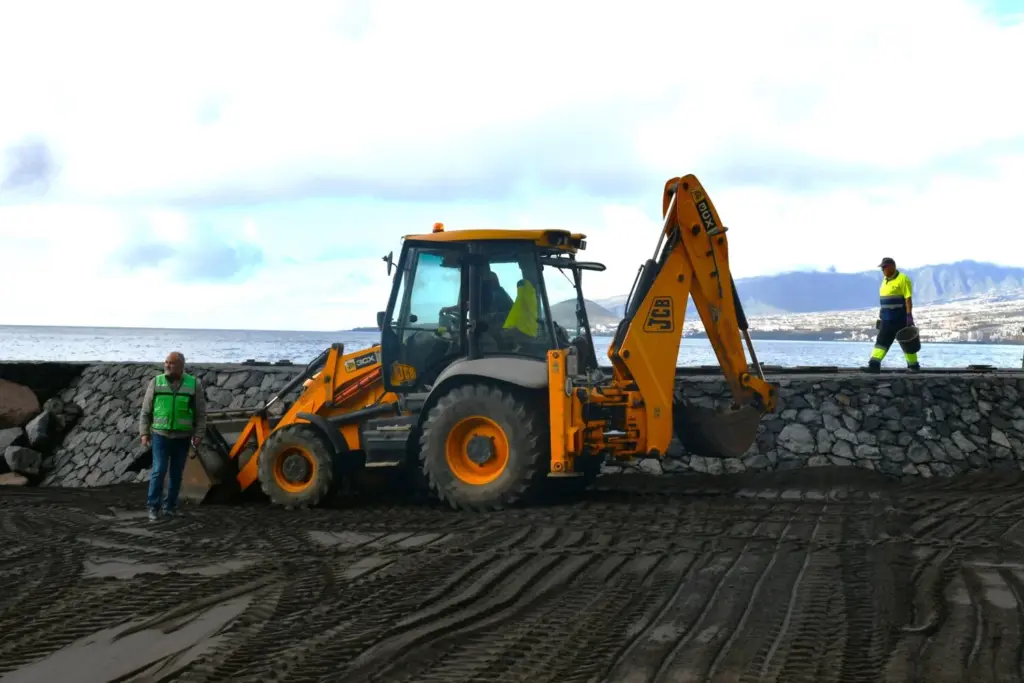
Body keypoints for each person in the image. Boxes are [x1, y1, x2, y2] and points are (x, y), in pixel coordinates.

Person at [138, 351, 207, 520]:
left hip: (182, 438)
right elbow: (146, 411)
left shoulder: (193, 384)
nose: (167, 365)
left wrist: (198, 434)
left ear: (181, 365)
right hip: (160, 435)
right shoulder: (156, 382)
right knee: (159, 470)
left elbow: (200, 414)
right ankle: (153, 506)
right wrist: (144, 433)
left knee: (176, 473)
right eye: (166, 362)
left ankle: (170, 506)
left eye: (171, 363)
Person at [867, 257, 920, 373]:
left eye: (884, 267)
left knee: (907, 342)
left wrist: (909, 316)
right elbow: (884, 299)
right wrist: (881, 312)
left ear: (892, 266)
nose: (882, 270)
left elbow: (908, 299)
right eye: (882, 268)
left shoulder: (903, 279)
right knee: (881, 341)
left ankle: (913, 366)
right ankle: (874, 364)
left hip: (900, 317)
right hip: (886, 318)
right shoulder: (885, 281)